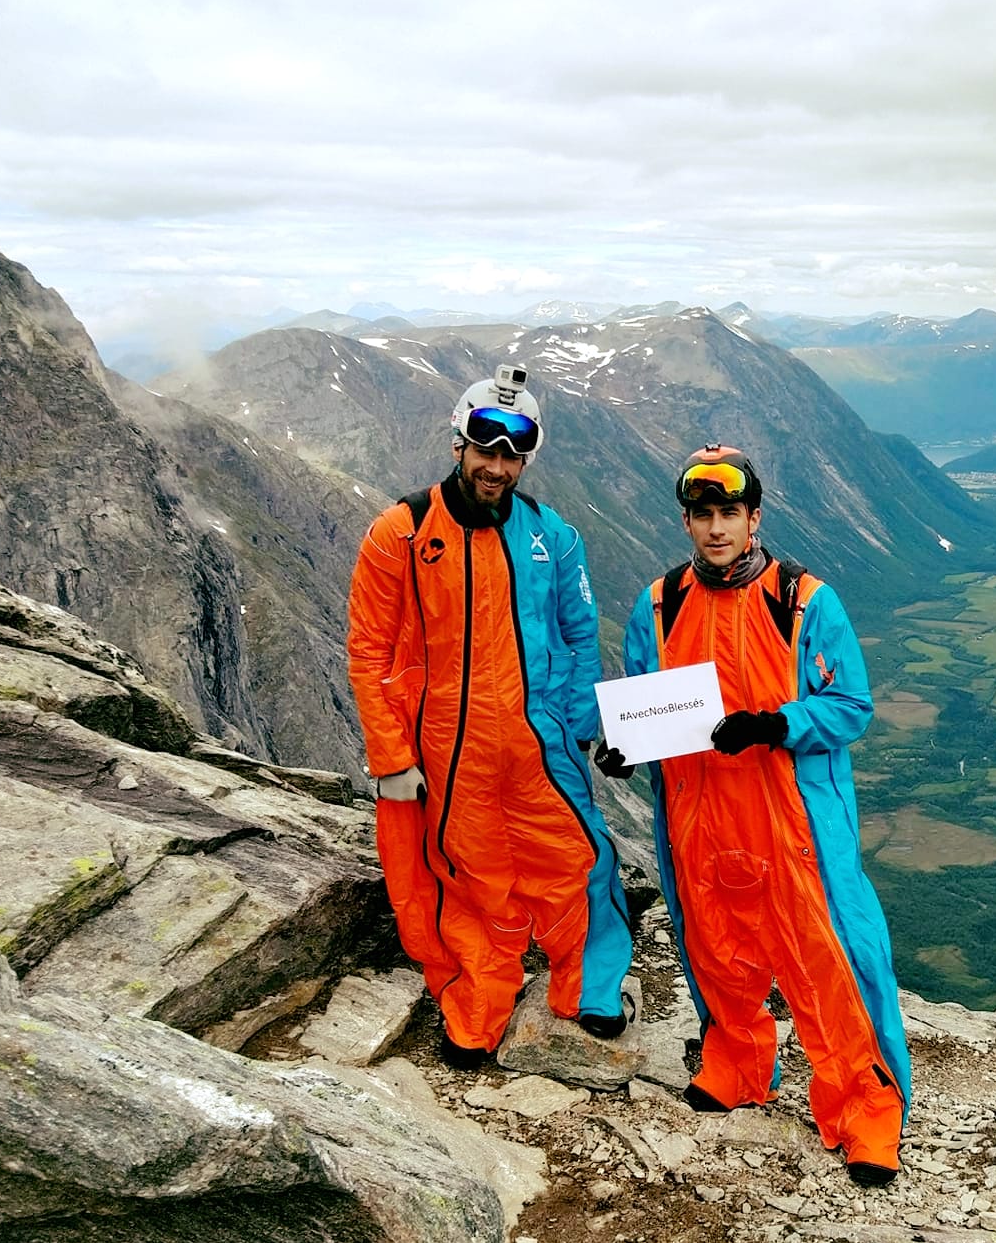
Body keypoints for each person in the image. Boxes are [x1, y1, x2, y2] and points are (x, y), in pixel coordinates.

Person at [595, 443, 911, 1185]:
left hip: (792, 825)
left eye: (728, 514)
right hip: (699, 818)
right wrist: (624, 750)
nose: (715, 529)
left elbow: (851, 706)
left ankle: (867, 1112)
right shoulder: (660, 602)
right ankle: (735, 1066)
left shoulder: (804, 600)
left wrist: (776, 724)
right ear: (685, 521)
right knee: (716, 955)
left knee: (830, 966)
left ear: (753, 518)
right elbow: (645, 701)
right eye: (702, 515)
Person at [347, 364, 634, 1068]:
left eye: (513, 451)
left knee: (580, 858)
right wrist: (391, 758)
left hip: (541, 743)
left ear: (525, 457)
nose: (497, 464)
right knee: (469, 880)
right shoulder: (402, 532)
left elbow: (575, 635)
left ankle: (589, 990)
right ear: (459, 443)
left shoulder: (552, 536)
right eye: (486, 445)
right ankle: (478, 1010)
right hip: (449, 746)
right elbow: (368, 651)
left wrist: (576, 728)